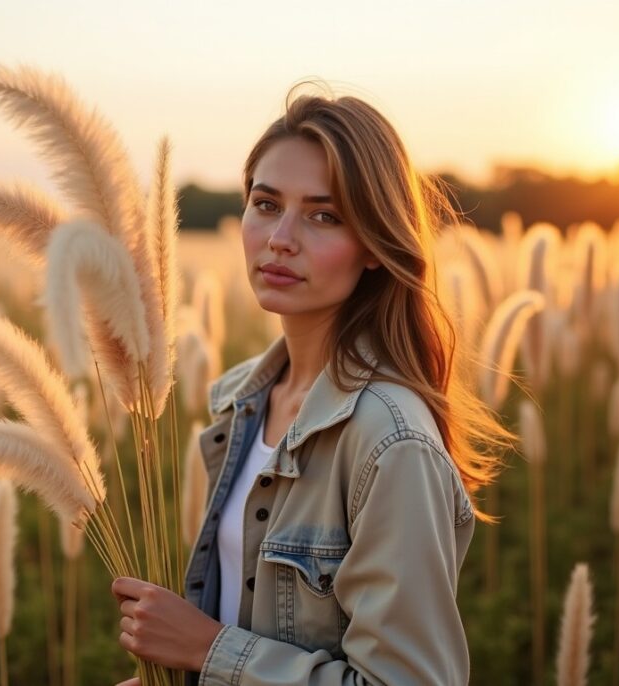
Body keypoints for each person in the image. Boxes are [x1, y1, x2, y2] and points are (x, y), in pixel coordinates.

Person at [111, 83, 510, 685]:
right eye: (266, 204)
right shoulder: (242, 405)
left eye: (323, 216)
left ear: (375, 246)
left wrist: (209, 649)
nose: (280, 238)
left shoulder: (390, 442)